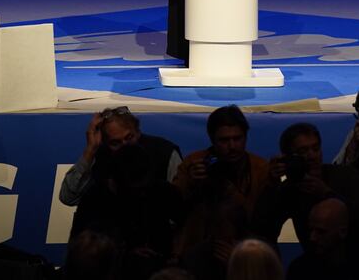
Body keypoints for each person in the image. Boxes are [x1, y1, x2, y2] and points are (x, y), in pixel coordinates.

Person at [253, 123, 359, 253]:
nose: (312, 156)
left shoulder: (345, 176)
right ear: (288, 158)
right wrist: (271, 185)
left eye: (316, 149)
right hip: (314, 262)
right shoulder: (291, 189)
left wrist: (327, 193)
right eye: (302, 152)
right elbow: (262, 230)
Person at [69, 144, 184, 280]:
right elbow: (82, 249)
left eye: (145, 187)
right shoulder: (96, 199)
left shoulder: (161, 191)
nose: (141, 194)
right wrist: (124, 253)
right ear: (115, 183)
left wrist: (177, 253)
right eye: (134, 190)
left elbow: (188, 222)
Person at [173, 105, 268, 256]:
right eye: (224, 140)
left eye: (237, 139)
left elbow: (264, 223)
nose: (232, 146)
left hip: (246, 249)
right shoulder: (194, 164)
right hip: (197, 247)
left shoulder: (260, 169)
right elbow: (174, 210)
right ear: (212, 140)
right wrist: (190, 184)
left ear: (246, 137)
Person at [59, 106, 182, 206]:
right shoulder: (100, 158)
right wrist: (90, 150)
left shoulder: (165, 153)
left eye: (129, 137)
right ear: (105, 142)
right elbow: (68, 198)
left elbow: (181, 204)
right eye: (115, 143)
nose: (125, 146)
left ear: (138, 132)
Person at [285, 198, 359, 280]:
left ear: (343, 232)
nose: (312, 238)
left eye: (321, 231)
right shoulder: (300, 269)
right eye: (311, 230)